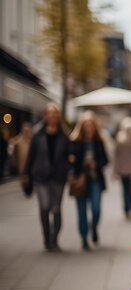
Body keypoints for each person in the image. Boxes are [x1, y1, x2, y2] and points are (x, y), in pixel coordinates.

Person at [23, 103, 70, 251]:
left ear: (58, 116)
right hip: (41, 177)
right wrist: (26, 173)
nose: (52, 116)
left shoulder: (64, 135)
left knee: (56, 208)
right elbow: (31, 155)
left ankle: (54, 239)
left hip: (58, 177)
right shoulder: (37, 134)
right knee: (44, 207)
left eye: (55, 113)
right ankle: (46, 238)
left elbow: (70, 154)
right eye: (49, 113)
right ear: (45, 116)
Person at [69, 111, 109, 250]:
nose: (88, 127)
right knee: (81, 211)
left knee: (96, 209)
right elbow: (70, 161)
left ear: (94, 126)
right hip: (80, 180)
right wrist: (79, 162)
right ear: (81, 126)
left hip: (95, 180)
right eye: (86, 125)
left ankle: (93, 228)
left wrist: (95, 163)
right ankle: (84, 237)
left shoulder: (99, 141)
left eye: (91, 124)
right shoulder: (75, 141)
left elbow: (106, 160)